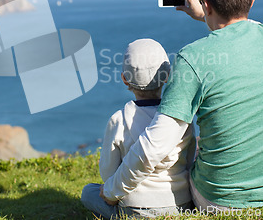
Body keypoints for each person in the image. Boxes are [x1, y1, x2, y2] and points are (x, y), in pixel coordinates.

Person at [100, 0, 263, 212]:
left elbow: (156, 146)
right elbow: (243, 32)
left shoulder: (193, 58)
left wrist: (111, 191)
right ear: (252, 0)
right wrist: (208, 16)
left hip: (221, 202)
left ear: (205, 3)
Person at [81, 39, 196, 218]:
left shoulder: (119, 119)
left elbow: (108, 173)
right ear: (167, 77)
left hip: (135, 207)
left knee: (88, 192)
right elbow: (189, 162)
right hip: (180, 203)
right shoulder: (181, 118)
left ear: (125, 79)